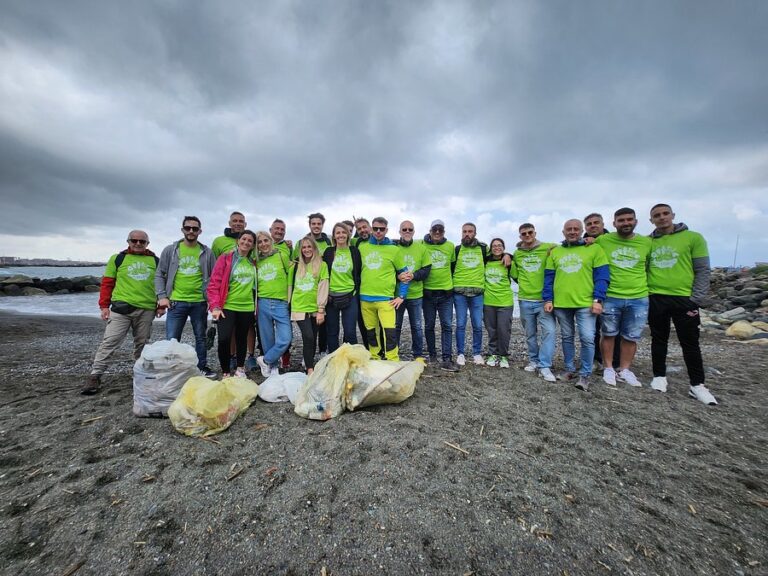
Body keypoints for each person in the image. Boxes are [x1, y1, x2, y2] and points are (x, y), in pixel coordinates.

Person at [647, 204, 717, 405]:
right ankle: (659, 376)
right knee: (658, 339)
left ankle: (697, 384)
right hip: (656, 297)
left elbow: (702, 269)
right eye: (657, 215)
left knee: (690, 342)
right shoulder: (647, 242)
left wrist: (696, 299)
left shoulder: (693, 238)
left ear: (673, 215)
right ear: (651, 220)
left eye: (665, 214)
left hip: (685, 298)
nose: (662, 218)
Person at [83, 230, 159, 394]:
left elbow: (161, 284)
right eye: (134, 240)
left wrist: (161, 305)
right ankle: (95, 375)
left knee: (142, 343)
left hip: (146, 309)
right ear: (128, 241)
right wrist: (104, 306)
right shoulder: (117, 259)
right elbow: (107, 283)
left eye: (142, 241)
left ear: (147, 243)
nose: (138, 244)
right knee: (110, 341)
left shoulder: (155, 260)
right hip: (121, 309)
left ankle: (140, 373)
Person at [543, 219, 609, 391]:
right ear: (563, 232)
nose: (572, 232)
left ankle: (585, 374)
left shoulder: (594, 249)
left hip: (586, 303)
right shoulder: (555, 252)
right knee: (567, 337)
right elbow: (549, 278)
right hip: (561, 304)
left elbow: (602, 277)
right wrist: (548, 299)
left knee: (587, 338)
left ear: (581, 231)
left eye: (576, 229)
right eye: (569, 229)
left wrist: (598, 300)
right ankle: (569, 369)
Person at [594, 208, 652, 387]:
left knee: (631, 336)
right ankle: (608, 367)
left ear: (635, 221)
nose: (626, 223)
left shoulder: (646, 242)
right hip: (611, 295)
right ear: (614, 223)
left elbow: (649, 266)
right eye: (621, 220)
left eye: (629, 219)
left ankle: (625, 369)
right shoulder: (604, 240)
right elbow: (585, 245)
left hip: (638, 296)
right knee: (608, 334)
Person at [155, 216, 217, 378]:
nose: (191, 231)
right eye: (188, 228)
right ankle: (172, 371)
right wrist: (162, 296)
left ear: (200, 231)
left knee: (201, 337)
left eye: (195, 229)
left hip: (200, 302)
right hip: (176, 301)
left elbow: (214, 278)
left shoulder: (207, 252)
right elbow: (160, 274)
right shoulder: (171, 250)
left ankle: (201, 367)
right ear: (182, 230)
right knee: (172, 339)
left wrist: (212, 301)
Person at [207, 231, 258, 378]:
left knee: (242, 338)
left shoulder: (253, 262)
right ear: (238, 241)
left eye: (250, 241)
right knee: (224, 339)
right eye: (244, 239)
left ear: (253, 245)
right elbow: (214, 283)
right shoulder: (226, 258)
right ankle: (225, 372)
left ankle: (240, 368)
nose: (246, 242)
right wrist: (215, 306)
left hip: (247, 307)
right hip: (227, 306)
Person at [511, 223, 557, 382]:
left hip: (544, 300)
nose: (527, 235)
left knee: (549, 331)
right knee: (530, 334)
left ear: (535, 233)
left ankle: (545, 365)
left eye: (530, 232)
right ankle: (534, 360)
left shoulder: (549, 247)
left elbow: (567, 248)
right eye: (524, 233)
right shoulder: (517, 253)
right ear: (520, 236)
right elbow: (514, 275)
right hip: (524, 300)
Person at [357, 217, 408, 361]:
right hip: (365, 298)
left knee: (390, 332)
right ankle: (375, 358)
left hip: (386, 299)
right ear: (371, 229)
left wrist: (401, 296)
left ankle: (393, 360)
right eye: (375, 228)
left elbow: (405, 274)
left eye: (382, 229)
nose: (378, 231)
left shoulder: (394, 250)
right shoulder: (362, 247)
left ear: (386, 230)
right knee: (371, 332)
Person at [583, 212, 622, 370]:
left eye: (596, 223)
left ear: (603, 224)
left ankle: (614, 363)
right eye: (589, 224)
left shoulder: (613, 240)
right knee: (592, 330)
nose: (593, 226)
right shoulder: (582, 243)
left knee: (613, 330)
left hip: (613, 291)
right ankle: (595, 359)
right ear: (585, 227)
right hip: (589, 292)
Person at [255, 231, 293, 377]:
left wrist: (290, 299)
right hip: (263, 302)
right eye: (259, 242)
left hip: (281, 302)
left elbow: (290, 277)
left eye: (266, 240)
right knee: (267, 339)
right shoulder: (256, 261)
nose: (263, 244)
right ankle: (273, 366)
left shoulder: (281, 256)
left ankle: (265, 360)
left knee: (285, 338)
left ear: (271, 241)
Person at [422, 219, 459, 372]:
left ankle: (447, 358)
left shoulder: (450, 246)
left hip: (446, 294)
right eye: (434, 229)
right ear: (430, 231)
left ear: (444, 231)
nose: (437, 232)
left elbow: (452, 266)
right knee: (429, 325)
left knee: (447, 326)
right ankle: (432, 355)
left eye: (440, 230)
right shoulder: (421, 245)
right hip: (428, 293)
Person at [290, 236, 329, 374]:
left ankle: (308, 362)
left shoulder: (322, 265)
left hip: (315, 308)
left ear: (314, 248)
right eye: (304, 247)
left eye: (309, 247)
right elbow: (289, 286)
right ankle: (310, 369)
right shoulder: (295, 266)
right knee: (308, 336)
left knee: (313, 338)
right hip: (299, 307)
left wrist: (321, 309)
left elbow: (323, 286)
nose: (306, 250)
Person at [395, 220, 431, 360]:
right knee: (396, 326)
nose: (407, 231)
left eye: (410, 229)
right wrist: (398, 276)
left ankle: (417, 355)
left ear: (414, 232)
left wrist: (413, 275)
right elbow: (388, 269)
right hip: (397, 295)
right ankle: (394, 354)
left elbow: (426, 270)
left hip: (416, 295)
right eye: (404, 229)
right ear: (400, 232)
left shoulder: (421, 248)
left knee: (417, 327)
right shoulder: (394, 248)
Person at [452, 222, 487, 366]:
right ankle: (460, 353)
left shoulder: (483, 248)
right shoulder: (457, 249)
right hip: (459, 292)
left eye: (470, 231)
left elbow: (497, 254)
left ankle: (476, 353)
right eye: (464, 231)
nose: (467, 234)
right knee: (460, 324)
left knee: (477, 324)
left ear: (475, 233)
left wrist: (508, 255)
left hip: (477, 292)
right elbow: (450, 267)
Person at [323, 222, 362, 352]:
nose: (341, 235)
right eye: (338, 233)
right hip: (331, 297)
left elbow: (358, 272)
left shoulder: (354, 251)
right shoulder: (329, 252)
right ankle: (334, 358)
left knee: (350, 332)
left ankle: (351, 358)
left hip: (350, 295)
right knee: (332, 332)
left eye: (344, 232)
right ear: (334, 236)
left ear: (348, 235)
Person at [483, 238, 514, 369]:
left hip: (505, 301)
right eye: (494, 246)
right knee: (491, 330)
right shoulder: (485, 261)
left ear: (504, 247)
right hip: (488, 301)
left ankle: (503, 355)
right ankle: (492, 354)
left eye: (499, 245)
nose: (497, 248)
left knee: (504, 330)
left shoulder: (509, 262)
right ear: (491, 248)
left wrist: (509, 256)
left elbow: (518, 277)